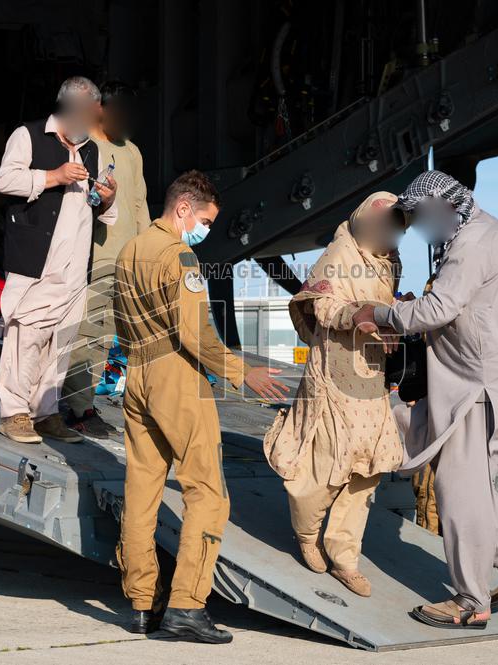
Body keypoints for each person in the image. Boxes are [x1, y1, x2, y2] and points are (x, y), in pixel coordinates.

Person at [353, 170, 498, 629]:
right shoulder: (478, 232)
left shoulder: (472, 242)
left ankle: (470, 601)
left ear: (443, 207)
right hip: (482, 381)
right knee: (475, 486)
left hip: (480, 388)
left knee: (458, 493)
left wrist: (380, 313)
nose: (418, 226)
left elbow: (440, 309)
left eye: (420, 215)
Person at [112, 170, 288, 643]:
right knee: (207, 494)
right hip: (175, 375)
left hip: (137, 373)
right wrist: (239, 371)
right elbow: (196, 333)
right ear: (184, 208)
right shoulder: (179, 256)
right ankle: (187, 606)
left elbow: (119, 319)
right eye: (205, 220)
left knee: (142, 492)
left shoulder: (131, 249)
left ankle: (141, 603)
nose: (205, 230)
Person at [263, 192, 405, 597]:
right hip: (333, 376)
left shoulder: (387, 259)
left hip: (370, 376)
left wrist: (394, 314)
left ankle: (345, 556)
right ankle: (306, 531)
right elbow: (320, 306)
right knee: (328, 463)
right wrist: (356, 317)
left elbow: (382, 304)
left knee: (368, 468)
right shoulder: (339, 253)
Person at [0, 77, 117, 444]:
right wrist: (54, 176)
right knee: (26, 335)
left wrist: (108, 197)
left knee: (59, 342)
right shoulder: (28, 135)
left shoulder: (92, 149)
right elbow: (5, 181)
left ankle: (45, 413)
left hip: (76, 267)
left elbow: (101, 211)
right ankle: (14, 412)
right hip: (38, 260)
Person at [62, 81, 152, 438]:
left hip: (125, 259)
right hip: (92, 257)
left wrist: (146, 251)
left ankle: (83, 403)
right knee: (86, 332)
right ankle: (78, 407)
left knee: (106, 334)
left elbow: (139, 205)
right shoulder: (84, 147)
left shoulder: (132, 151)